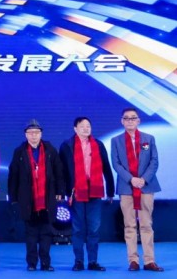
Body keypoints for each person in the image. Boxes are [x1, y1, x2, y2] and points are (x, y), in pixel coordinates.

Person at [110, 108, 163, 272]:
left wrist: (143, 179)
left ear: (138, 121)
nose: (130, 121)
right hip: (126, 187)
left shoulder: (149, 138)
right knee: (129, 225)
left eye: (133, 118)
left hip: (146, 186)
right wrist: (131, 179)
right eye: (127, 118)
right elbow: (116, 164)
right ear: (122, 121)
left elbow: (154, 161)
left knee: (146, 224)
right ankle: (133, 260)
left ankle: (149, 261)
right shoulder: (116, 140)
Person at [8, 120, 64, 272]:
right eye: (30, 133)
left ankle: (45, 263)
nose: (34, 136)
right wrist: (13, 197)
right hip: (28, 199)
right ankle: (32, 263)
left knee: (46, 233)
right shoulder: (19, 152)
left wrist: (60, 191)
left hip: (47, 198)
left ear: (41, 134)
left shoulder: (50, 150)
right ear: (25, 135)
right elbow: (13, 176)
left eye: (37, 133)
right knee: (31, 233)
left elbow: (59, 172)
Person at [59, 117, 114, 272]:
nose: (86, 128)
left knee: (94, 228)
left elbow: (107, 168)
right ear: (75, 129)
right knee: (77, 229)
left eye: (88, 126)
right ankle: (78, 261)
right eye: (82, 126)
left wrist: (110, 191)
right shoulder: (67, 146)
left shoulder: (98, 144)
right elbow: (61, 171)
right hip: (76, 192)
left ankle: (93, 261)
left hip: (95, 191)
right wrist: (62, 192)